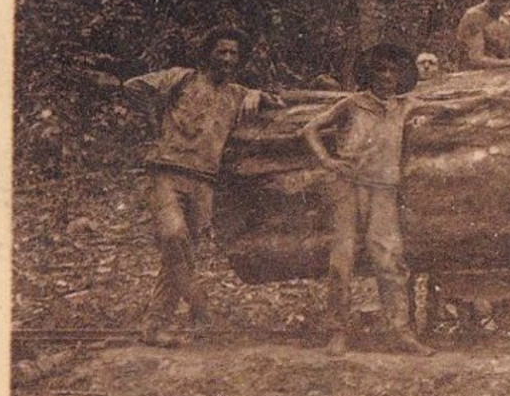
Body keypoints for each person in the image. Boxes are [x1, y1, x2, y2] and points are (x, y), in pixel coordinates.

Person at [123, 26, 270, 347]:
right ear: (209, 54)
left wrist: (256, 95)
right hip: (166, 173)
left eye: (233, 53)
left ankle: (155, 326)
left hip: (204, 182)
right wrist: (158, 115)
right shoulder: (182, 79)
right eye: (221, 52)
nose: (228, 59)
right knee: (174, 236)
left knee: (179, 253)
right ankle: (200, 306)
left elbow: (273, 104)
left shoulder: (238, 95)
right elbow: (133, 87)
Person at [302, 42, 434, 357]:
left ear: (401, 75)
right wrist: (328, 160)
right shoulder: (352, 103)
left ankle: (399, 331)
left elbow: (448, 108)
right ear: (369, 74)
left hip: (385, 189)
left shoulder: (405, 106)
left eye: (392, 71)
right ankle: (338, 331)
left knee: (389, 258)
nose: (386, 77)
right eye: (380, 70)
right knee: (342, 259)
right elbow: (309, 129)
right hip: (349, 186)